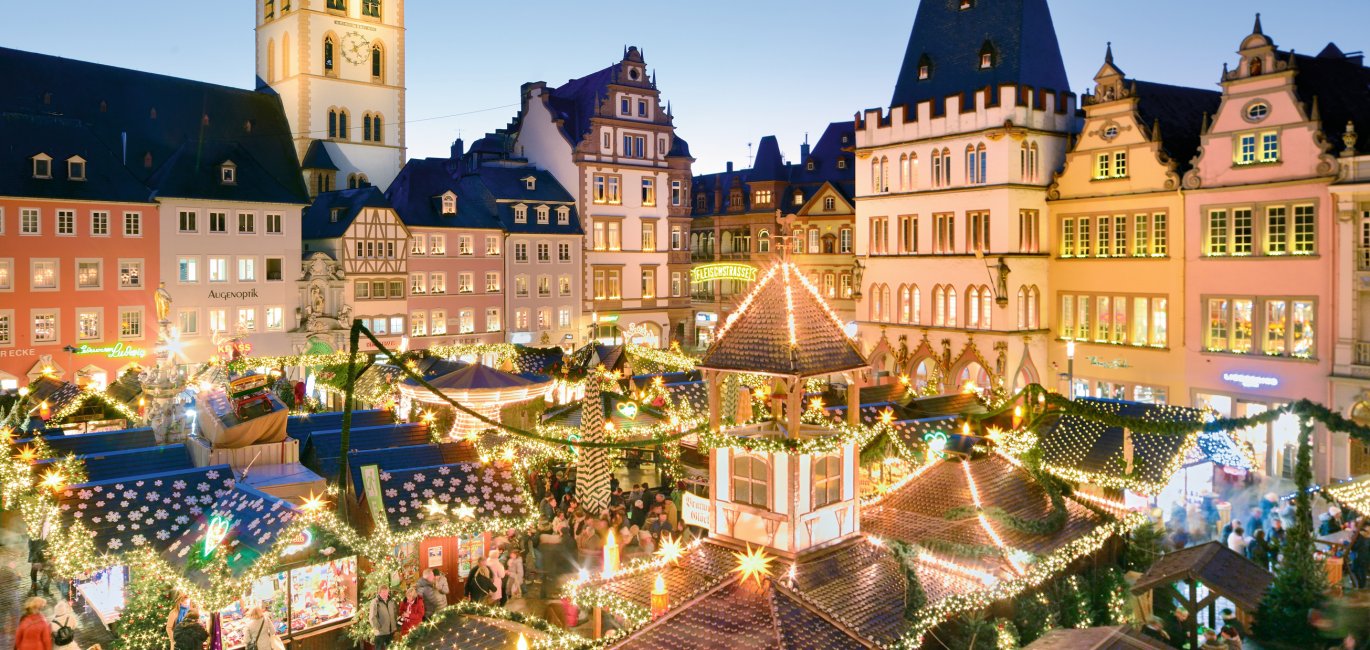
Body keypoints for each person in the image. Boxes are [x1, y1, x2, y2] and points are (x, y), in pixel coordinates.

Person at [368, 585, 398, 650]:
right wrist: (378, 627)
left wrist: (394, 624)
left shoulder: (391, 601)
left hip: (390, 631)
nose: (385, 594)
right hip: (380, 632)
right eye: (383, 592)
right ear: (379, 593)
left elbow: (395, 613)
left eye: (386, 592)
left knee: (390, 648)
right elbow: (372, 617)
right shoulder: (375, 602)